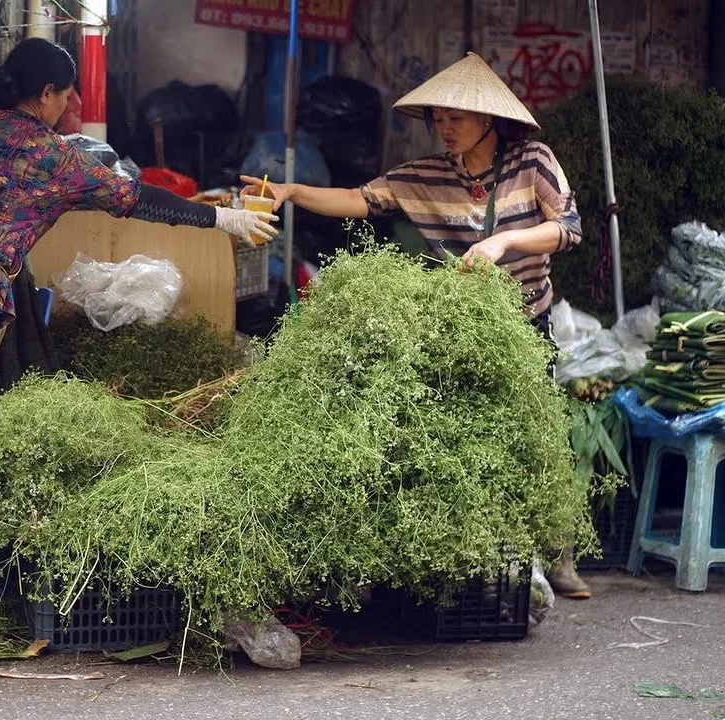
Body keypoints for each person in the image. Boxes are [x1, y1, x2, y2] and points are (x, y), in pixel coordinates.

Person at [0, 37, 277, 596]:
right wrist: (224, 221)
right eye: (64, 96)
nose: (65, 107)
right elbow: (135, 198)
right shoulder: (52, 155)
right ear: (45, 94)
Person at [240, 52, 590, 600]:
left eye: (456, 118)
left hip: (525, 320)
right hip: (462, 328)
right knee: (470, 436)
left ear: (490, 120)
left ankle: (559, 552)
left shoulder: (533, 162)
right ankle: (482, 554)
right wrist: (290, 193)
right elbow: (359, 199)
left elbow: (567, 229)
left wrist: (503, 240)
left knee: (542, 434)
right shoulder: (424, 177)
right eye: (438, 120)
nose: (444, 129)